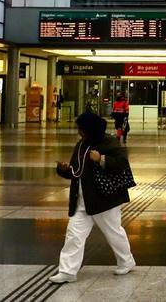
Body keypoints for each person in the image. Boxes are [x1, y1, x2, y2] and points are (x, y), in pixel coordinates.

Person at [49, 112, 135, 284]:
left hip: (104, 200)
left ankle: (126, 261)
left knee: (113, 232)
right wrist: (64, 169)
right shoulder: (81, 145)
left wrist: (101, 159)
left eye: (81, 129)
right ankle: (67, 271)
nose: (79, 132)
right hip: (82, 200)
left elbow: (121, 163)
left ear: (90, 129)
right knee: (74, 235)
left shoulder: (109, 142)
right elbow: (76, 171)